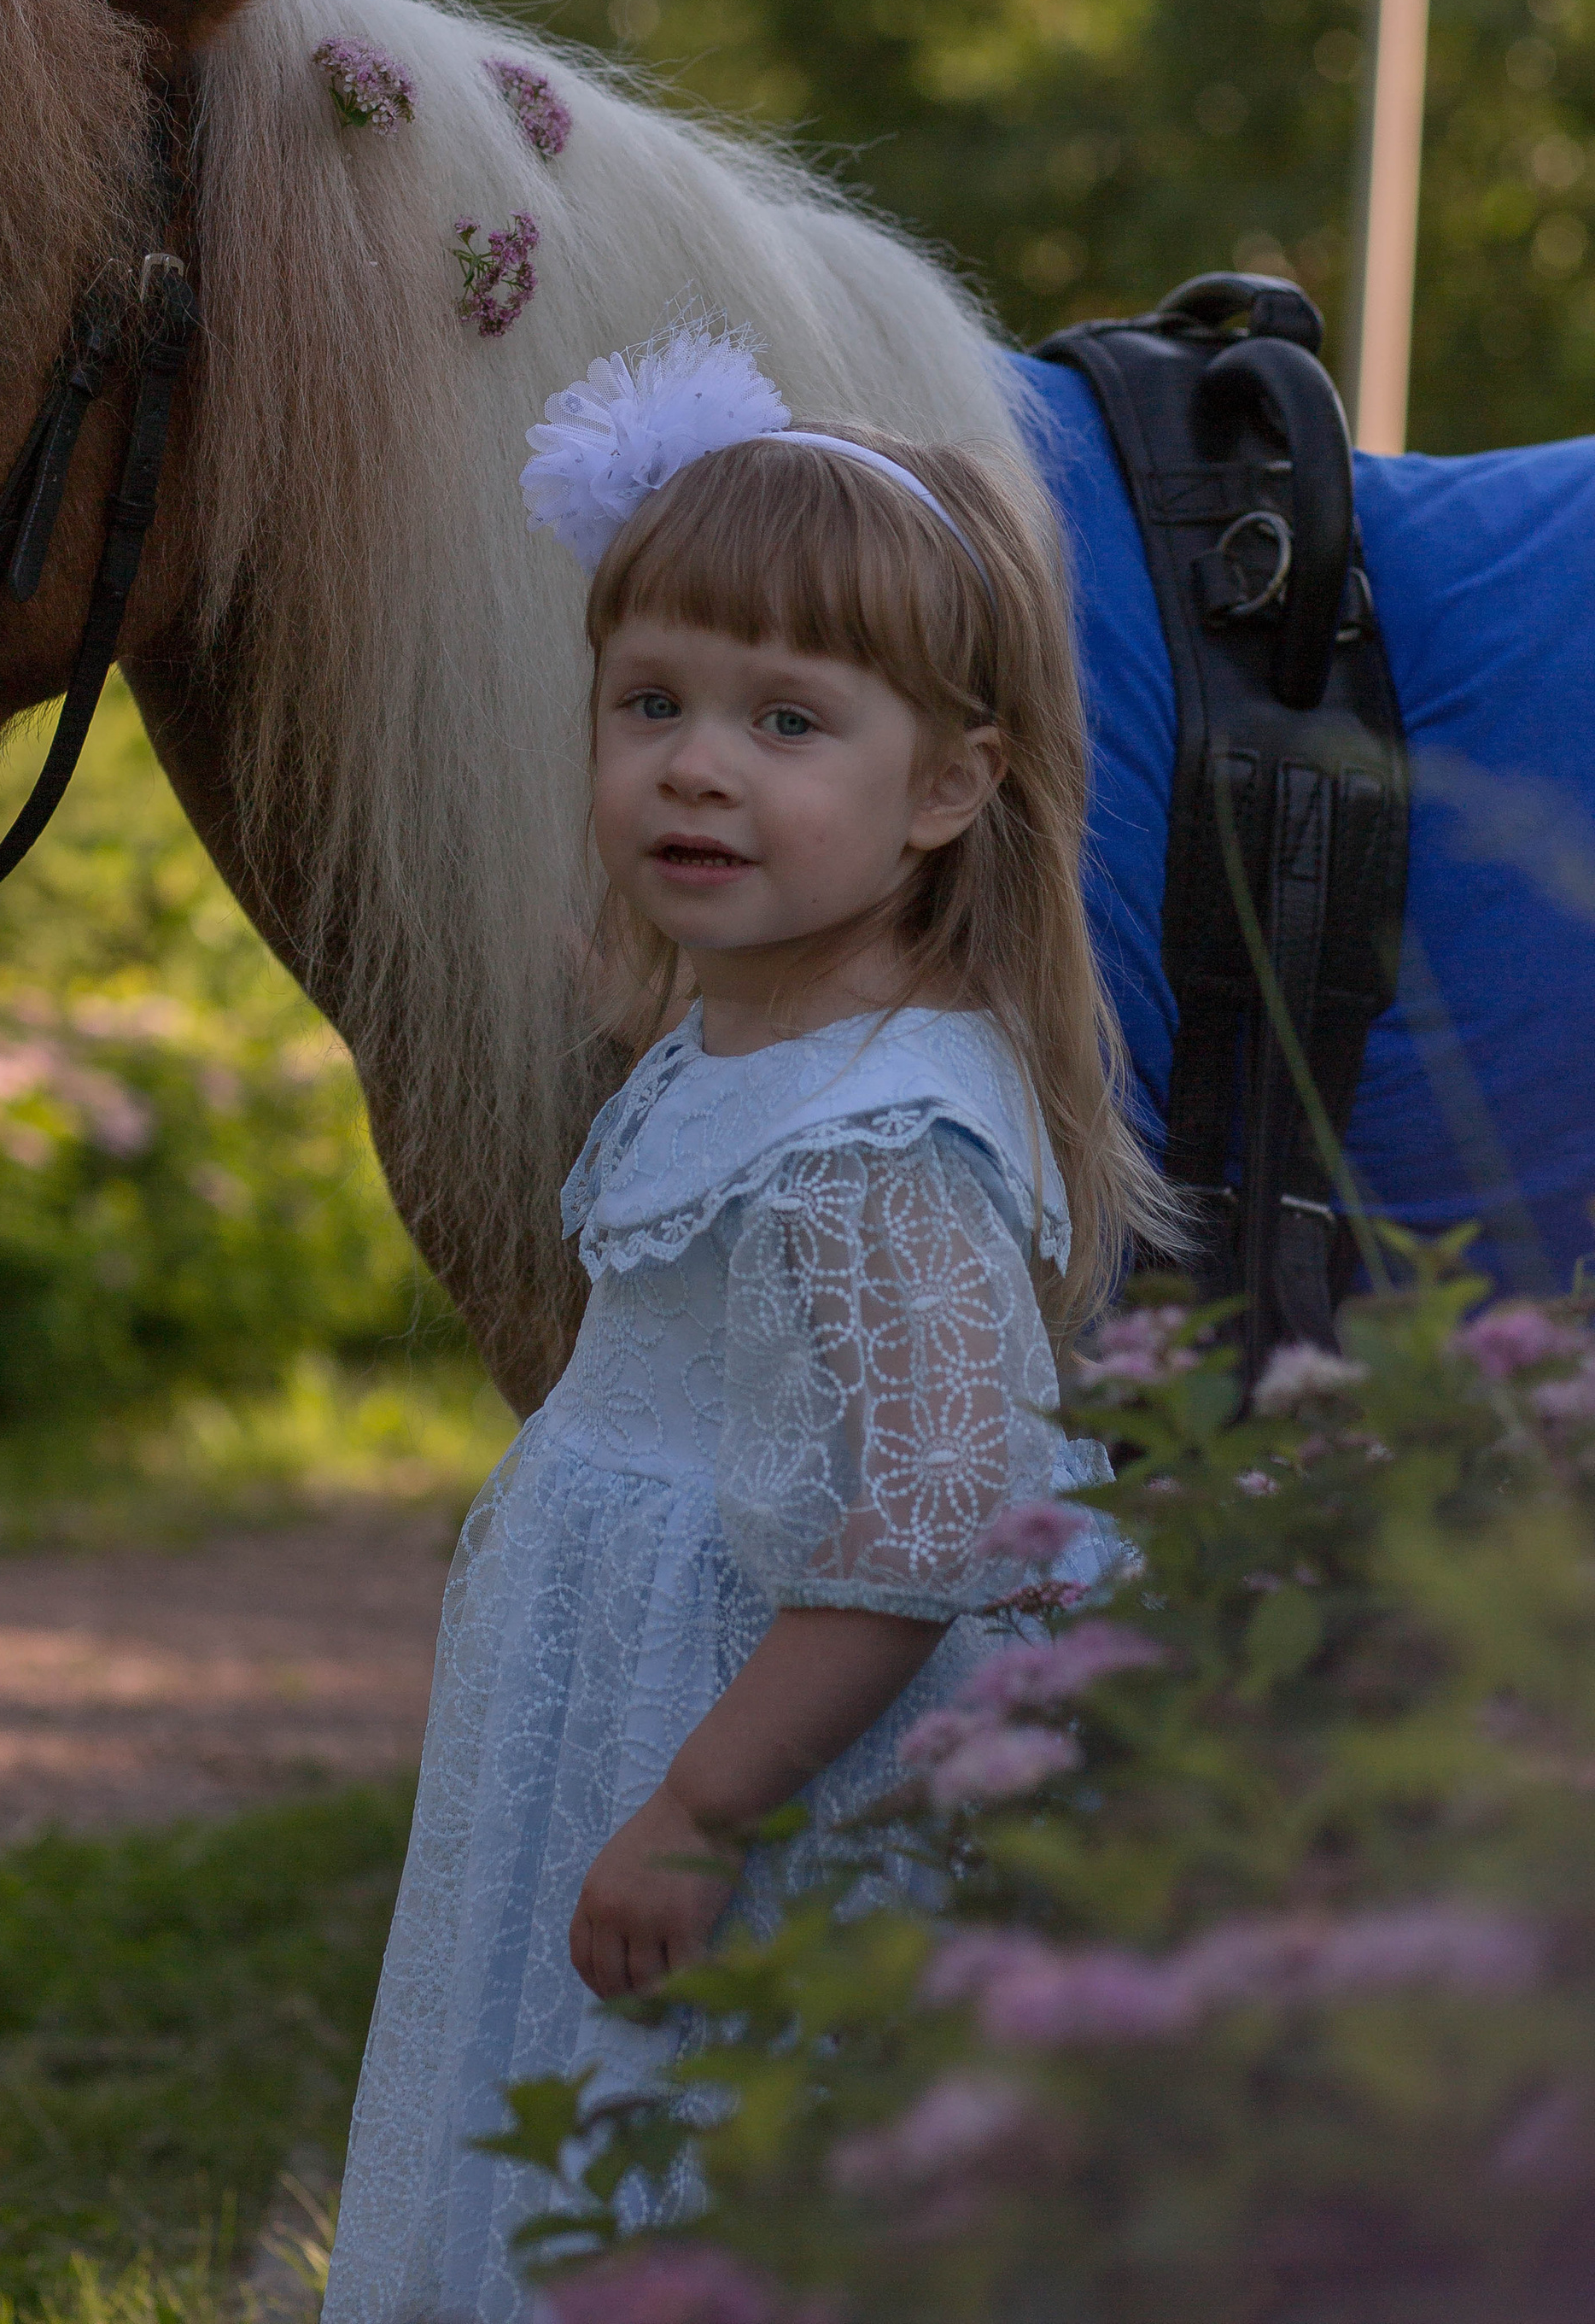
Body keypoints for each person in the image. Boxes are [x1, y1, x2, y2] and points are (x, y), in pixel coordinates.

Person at [322, 329, 1174, 2324]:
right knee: (601, 2117)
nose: (692, 765)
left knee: (719, 2144)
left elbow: (935, 1518)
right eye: (650, 704)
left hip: (760, 1748)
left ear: (947, 786)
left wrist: (705, 1811)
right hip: (650, 1688)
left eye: (787, 720)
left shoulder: (878, 1133)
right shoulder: (749, 1042)